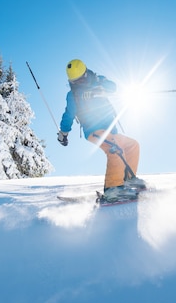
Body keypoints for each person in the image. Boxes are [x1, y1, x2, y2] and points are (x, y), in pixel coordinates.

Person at [57, 59, 146, 200]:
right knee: (115, 149)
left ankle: (128, 180)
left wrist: (101, 87)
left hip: (111, 129)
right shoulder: (73, 95)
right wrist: (64, 132)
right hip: (93, 130)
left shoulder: (98, 80)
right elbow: (68, 114)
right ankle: (112, 189)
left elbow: (113, 88)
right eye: (74, 82)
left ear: (86, 74)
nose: (77, 84)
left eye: (80, 80)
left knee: (132, 145)